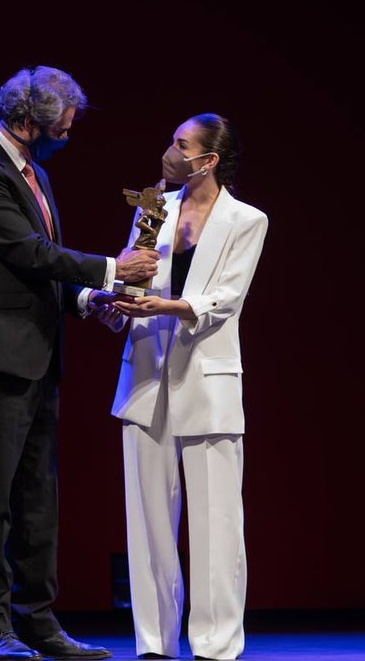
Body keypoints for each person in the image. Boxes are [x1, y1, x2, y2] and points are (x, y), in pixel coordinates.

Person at [0, 65, 158, 661]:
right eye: (62, 127)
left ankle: (38, 624)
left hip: (37, 356)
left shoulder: (29, 170)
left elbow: (39, 273)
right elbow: (29, 252)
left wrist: (91, 299)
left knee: (38, 498)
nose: (69, 134)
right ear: (28, 122)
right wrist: (114, 270)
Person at [87, 113, 268, 660]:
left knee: (216, 525)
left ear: (208, 160)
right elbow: (135, 282)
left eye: (180, 144)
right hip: (146, 379)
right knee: (147, 525)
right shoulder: (154, 210)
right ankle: (154, 644)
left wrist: (172, 305)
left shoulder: (246, 220)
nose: (170, 151)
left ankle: (215, 646)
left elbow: (227, 298)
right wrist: (113, 306)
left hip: (207, 383)